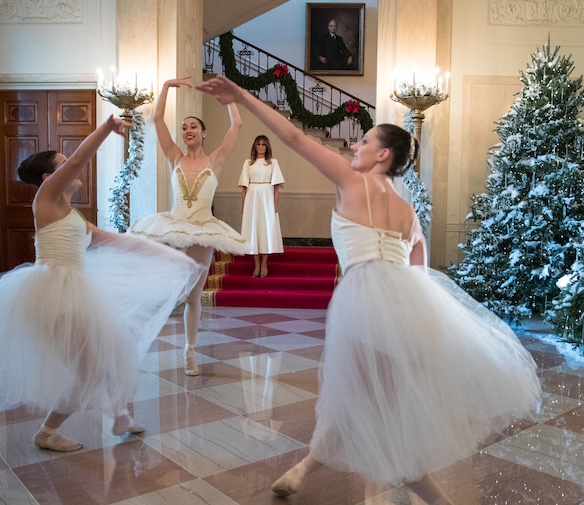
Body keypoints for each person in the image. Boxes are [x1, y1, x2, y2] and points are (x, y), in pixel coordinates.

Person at [196, 76, 541, 504]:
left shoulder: (352, 180)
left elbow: (292, 135)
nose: (353, 147)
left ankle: (418, 493)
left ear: (382, 155)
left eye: (363, 141)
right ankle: (312, 470)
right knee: (373, 401)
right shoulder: (406, 209)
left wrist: (243, 96)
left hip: (364, 304)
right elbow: (420, 265)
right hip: (410, 310)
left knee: (362, 401)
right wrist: (427, 324)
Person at [0, 115, 203, 452]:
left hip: (73, 291)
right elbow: (78, 159)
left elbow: (120, 241)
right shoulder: (46, 197)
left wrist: (173, 257)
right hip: (51, 294)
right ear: (50, 177)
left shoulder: (73, 216)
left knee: (117, 350)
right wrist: (106, 127)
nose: (74, 171)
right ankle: (48, 432)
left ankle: (121, 415)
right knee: (88, 369)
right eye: (62, 166)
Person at [129, 77, 249, 376]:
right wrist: (167, 86)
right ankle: (137, 337)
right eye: (183, 127)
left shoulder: (216, 160)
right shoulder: (175, 157)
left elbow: (237, 126)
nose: (187, 130)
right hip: (173, 226)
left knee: (193, 296)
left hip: (203, 229)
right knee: (172, 288)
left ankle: (189, 352)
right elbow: (157, 119)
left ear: (204, 133)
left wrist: (228, 95)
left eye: (193, 126)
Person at [238, 135, 285, 277]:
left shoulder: (272, 162)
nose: (260, 147)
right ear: (254, 146)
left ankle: (264, 263)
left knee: (265, 230)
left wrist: (275, 205)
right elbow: (244, 187)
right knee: (254, 230)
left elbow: (276, 186)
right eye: (258, 144)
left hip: (266, 197)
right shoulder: (248, 163)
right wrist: (243, 205)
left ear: (267, 147)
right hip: (252, 197)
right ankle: (256, 263)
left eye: (263, 144)